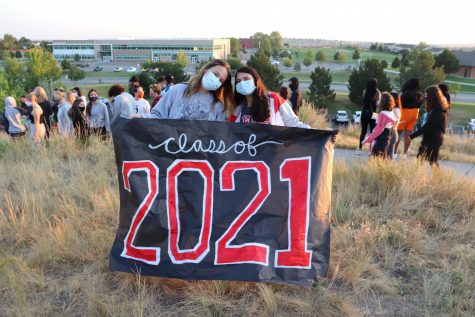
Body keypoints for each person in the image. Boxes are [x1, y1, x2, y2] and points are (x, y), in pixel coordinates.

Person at [140, 59, 233, 121]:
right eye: (215, 74)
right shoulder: (177, 90)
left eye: (221, 80)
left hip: (200, 150)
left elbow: (219, 135)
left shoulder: (218, 105)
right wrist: (141, 117)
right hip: (172, 148)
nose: (216, 80)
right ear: (206, 70)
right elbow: (158, 116)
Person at [230, 66, 309, 128]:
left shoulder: (273, 99)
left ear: (255, 81)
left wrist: (317, 135)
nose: (242, 83)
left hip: (272, 148)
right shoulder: (237, 108)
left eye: (246, 79)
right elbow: (230, 131)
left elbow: (293, 123)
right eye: (238, 81)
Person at [410, 85, 449, 167]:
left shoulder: (438, 110)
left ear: (432, 96)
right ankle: (415, 177)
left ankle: (438, 179)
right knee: (420, 159)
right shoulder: (436, 108)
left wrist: (412, 136)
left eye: (427, 95)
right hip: (429, 138)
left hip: (434, 140)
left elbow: (428, 126)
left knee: (433, 162)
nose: (425, 97)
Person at [363, 92, 397, 158]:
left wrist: (367, 139)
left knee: (374, 161)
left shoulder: (383, 114)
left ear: (383, 102)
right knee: (381, 161)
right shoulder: (391, 114)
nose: (379, 101)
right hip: (386, 141)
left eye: (380, 99)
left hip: (380, 142)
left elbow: (378, 130)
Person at [396, 78, 423, 159]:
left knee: (397, 134)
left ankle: (394, 152)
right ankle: (404, 153)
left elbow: (400, 104)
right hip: (414, 114)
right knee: (408, 135)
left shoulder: (406, 93)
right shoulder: (419, 95)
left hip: (404, 114)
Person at [358, 78, 381, 154]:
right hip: (373, 113)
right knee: (372, 131)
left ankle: (360, 148)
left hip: (364, 112)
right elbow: (377, 104)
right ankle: (370, 150)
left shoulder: (365, 91)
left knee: (363, 131)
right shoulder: (377, 92)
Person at [387, 92, 401, 159]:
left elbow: (393, 123)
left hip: (392, 133)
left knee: (389, 155)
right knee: (387, 154)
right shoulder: (392, 109)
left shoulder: (396, 110)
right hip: (391, 133)